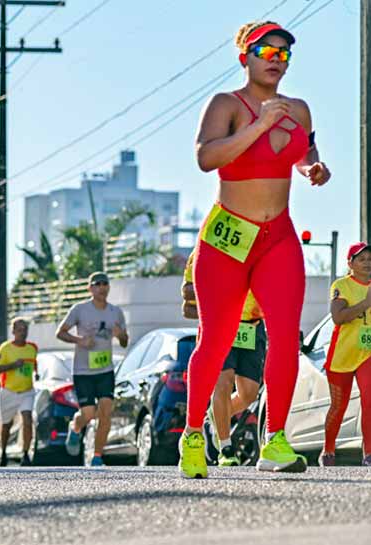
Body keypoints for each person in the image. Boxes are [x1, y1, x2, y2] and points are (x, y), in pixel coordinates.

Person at [183, 20, 331, 478]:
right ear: (245, 56)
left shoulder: (299, 110)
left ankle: (276, 441)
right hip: (228, 237)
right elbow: (207, 158)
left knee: (285, 337)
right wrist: (261, 122)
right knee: (216, 339)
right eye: (267, 50)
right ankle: (192, 436)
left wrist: (313, 168)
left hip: (277, 238)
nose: (275, 59)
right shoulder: (227, 104)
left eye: (284, 53)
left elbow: (304, 152)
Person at [182, 252, 266, 466]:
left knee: (249, 395)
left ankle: (216, 413)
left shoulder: (261, 249)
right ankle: (226, 448)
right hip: (220, 324)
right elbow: (187, 293)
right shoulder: (206, 247)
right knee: (224, 382)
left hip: (252, 327)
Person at [57, 272, 129, 467]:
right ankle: (76, 427)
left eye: (105, 283)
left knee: (106, 412)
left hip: (105, 371)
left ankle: (97, 456)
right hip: (83, 371)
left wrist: (120, 334)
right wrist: (79, 340)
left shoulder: (116, 312)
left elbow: (124, 342)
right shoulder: (79, 309)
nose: (102, 287)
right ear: (90, 288)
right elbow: (60, 332)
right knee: (88, 414)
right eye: (97, 284)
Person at [320, 242, 371, 466]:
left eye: (370, 259)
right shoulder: (341, 285)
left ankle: (368, 453)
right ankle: (328, 449)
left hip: (367, 354)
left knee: (369, 400)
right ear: (350, 263)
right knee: (338, 406)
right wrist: (366, 303)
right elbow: (338, 317)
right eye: (362, 259)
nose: (367, 263)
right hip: (342, 355)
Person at [0, 318, 39, 466]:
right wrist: (14, 365)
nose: (22, 333)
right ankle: (4, 452)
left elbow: (34, 365)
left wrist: (36, 374)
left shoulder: (32, 348)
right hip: (9, 391)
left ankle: (25, 454)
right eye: (19, 330)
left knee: (27, 419)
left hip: (27, 391)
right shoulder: (5, 348)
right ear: (13, 332)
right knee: (7, 424)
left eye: (25, 330)